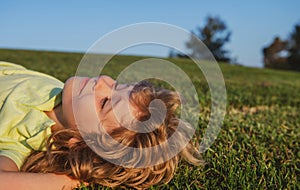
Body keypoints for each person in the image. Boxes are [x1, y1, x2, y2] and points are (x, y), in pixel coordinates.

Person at [0, 61, 203, 190]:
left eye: (104, 102)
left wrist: (76, 178)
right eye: (117, 85)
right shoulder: (56, 89)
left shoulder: (20, 139)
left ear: (80, 144)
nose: (102, 81)